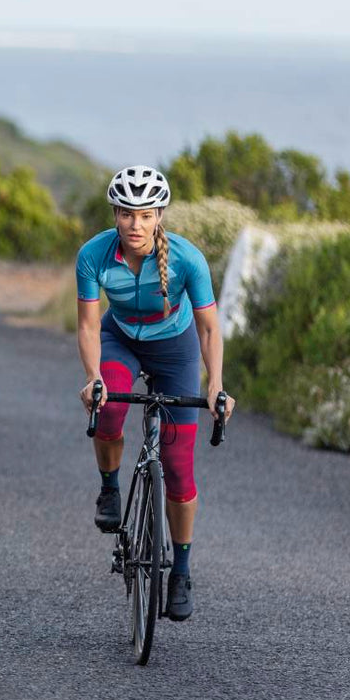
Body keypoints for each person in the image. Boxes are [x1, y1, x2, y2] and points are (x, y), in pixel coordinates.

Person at [75, 165, 235, 621]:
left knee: (180, 466)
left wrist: (216, 384)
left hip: (176, 349)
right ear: (115, 214)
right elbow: (88, 325)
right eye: (126, 214)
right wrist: (93, 377)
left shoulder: (188, 259)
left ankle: (180, 571)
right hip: (119, 340)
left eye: (145, 215)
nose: (135, 225)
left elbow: (208, 329)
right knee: (108, 411)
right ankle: (109, 488)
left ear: (160, 215)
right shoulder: (94, 254)